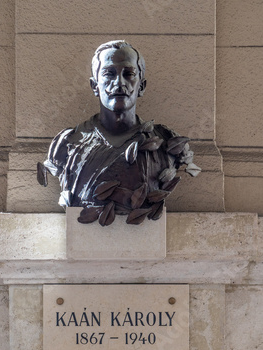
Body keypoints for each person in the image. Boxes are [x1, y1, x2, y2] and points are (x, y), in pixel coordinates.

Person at [37, 40, 200, 225]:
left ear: (142, 86)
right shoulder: (68, 142)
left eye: (128, 73)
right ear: (94, 86)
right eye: (109, 73)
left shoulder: (166, 142)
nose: (119, 82)